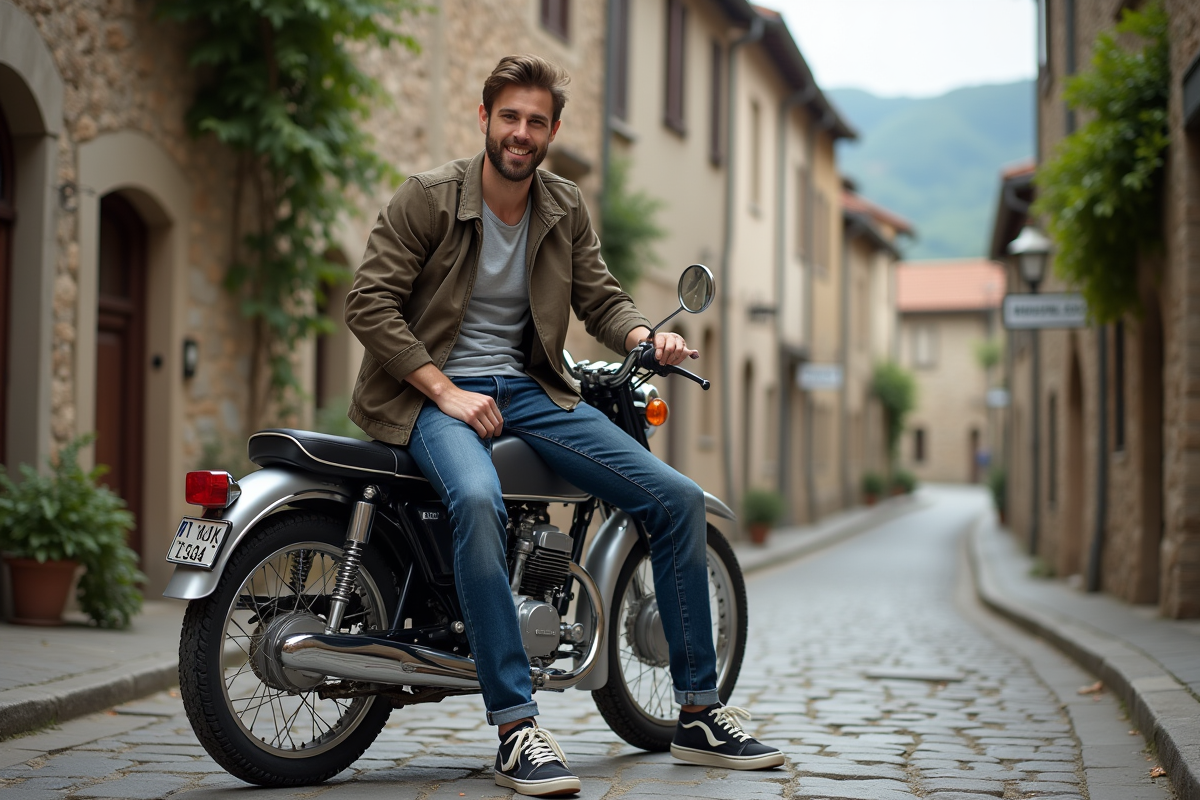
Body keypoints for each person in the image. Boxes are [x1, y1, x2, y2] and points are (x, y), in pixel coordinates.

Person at [345, 53, 782, 797]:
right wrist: (444, 391)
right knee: (477, 499)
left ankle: (700, 714)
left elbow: (600, 299)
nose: (521, 132)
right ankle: (517, 728)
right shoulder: (427, 198)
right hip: (430, 396)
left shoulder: (563, 207)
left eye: (536, 121)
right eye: (509, 117)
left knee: (674, 499)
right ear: (485, 119)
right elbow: (368, 304)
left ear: (551, 131)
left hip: (531, 390)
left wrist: (645, 337)